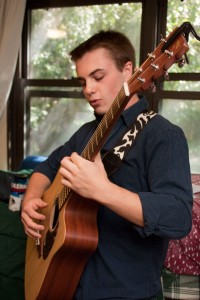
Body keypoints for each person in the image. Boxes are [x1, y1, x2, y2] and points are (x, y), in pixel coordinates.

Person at [21, 30, 193, 300]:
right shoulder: (86, 134)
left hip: (125, 293)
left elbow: (179, 217)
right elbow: (46, 168)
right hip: (65, 287)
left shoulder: (162, 135)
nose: (88, 89)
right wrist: (30, 201)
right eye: (83, 81)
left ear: (128, 71)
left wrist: (102, 190)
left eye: (98, 77)